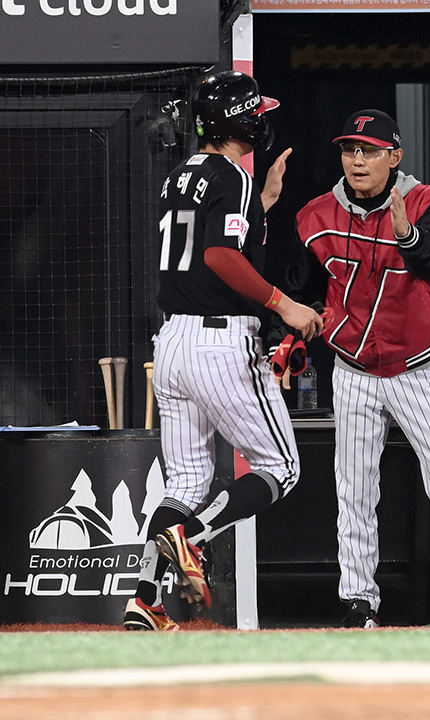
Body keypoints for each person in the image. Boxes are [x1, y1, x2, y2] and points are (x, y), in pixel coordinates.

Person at [280, 109, 430, 627]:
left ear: (394, 157)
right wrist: (290, 335)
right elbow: (302, 290)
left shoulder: (427, 202)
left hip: (417, 369)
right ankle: (358, 602)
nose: (357, 160)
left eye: (369, 151)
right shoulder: (315, 215)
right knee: (354, 489)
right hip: (354, 369)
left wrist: (406, 232)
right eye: (349, 150)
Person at [123, 71, 323, 631]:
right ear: (243, 121)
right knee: (281, 467)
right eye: (257, 112)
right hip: (220, 342)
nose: (263, 118)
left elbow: (209, 240)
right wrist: (285, 305)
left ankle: (144, 598)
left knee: (186, 483)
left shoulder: (181, 175)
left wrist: (262, 203)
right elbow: (218, 257)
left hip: (174, 342)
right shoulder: (232, 175)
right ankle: (193, 538)